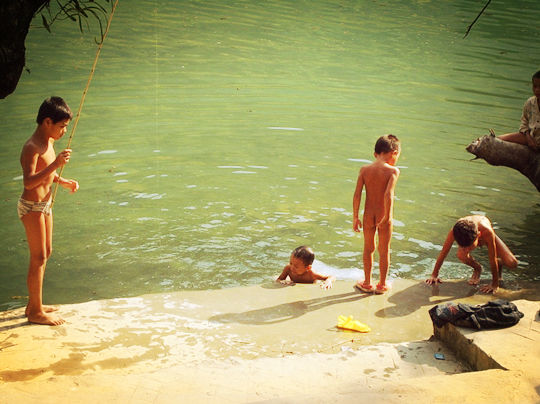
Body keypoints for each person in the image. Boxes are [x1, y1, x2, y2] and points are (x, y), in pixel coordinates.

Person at [18, 96, 79, 325]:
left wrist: (62, 181)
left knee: (47, 252)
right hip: (31, 207)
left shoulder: (50, 143)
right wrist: (56, 164)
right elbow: (29, 182)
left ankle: (34, 304)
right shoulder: (31, 148)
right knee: (38, 257)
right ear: (47, 122)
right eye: (61, 126)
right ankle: (35, 313)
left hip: (45, 205)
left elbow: (48, 174)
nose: (64, 131)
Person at [352, 134, 401, 294]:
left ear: (375, 153)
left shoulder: (365, 170)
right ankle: (381, 284)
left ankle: (366, 282)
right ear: (394, 152)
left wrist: (355, 217)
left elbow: (357, 194)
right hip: (384, 216)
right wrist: (386, 217)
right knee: (384, 249)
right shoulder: (393, 171)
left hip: (368, 216)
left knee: (368, 248)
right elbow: (388, 195)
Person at [425, 215, 518, 294]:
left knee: (512, 263)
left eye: (469, 247)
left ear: (478, 235)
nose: (467, 250)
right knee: (461, 255)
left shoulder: (487, 232)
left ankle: (500, 263)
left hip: (485, 232)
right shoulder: (455, 231)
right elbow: (444, 252)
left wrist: (494, 284)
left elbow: (492, 258)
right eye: (463, 247)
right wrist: (434, 275)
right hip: (469, 234)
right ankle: (477, 268)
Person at [498, 70, 540, 150]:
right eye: (535, 86)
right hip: (530, 137)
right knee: (496, 140)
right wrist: (529, 139)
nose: (537, 90)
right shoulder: (530, 103)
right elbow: (524, 123)